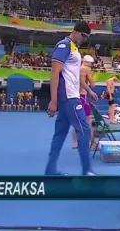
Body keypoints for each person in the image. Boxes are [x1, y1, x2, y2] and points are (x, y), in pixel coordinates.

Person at [46, 21, 98, 176]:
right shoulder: (64, 45)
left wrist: (88, 90)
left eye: (86, 37)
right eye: (83, 35)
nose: (83, 39)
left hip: (70, 96)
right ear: (75, 31)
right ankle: (86, 170)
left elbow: (75, 76)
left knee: (60, 135)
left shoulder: (75, 48)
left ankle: (50, 170)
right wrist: (53, 100)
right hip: (69, 98)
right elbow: (55, 73)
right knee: (84, 130)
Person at [72, 55, 96, 149]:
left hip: (75, 96)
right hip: (83, 96)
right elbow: (92, 84)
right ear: (89, 63)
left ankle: (75, 143)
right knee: (88, 120)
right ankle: (92, 143)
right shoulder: (87, 69)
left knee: (76, 120)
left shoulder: (77, 68)